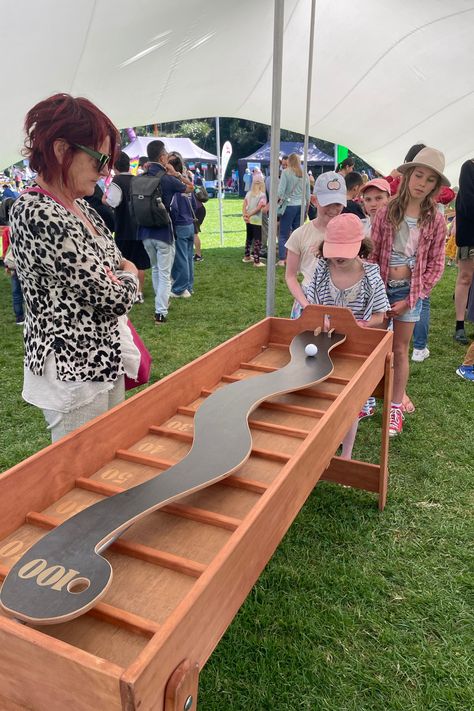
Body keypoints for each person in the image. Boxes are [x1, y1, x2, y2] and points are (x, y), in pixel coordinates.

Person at [9, 93, 140, 442]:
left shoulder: (84, 209)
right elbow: (113, 295)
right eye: (100, 159)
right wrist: (128, 274)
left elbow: (113, 272)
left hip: (104, 357)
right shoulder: (37, 211)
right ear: (61, 150)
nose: (105, 171)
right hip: (72, 372)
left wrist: (120, 273)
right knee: (79, 478)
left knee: (110, 458)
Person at [370, 147, 449, 437]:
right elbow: (372, 255)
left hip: (410, 292)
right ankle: (366, 397)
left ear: (436, 187)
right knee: (374, 346)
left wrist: (411, 299)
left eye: (430, 180)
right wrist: (375, 294)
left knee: (400, 349)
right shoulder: (387, 211)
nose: (422, 184)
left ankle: (394, 407)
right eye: (418, 175)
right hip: (380, 288)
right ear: (407, 175)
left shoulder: (436, 220)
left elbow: (436, 265)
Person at [306, 213, 389, 458]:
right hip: (325, 343)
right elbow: (312, 306)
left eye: (346, 250)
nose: (339, 257)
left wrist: (361, 324)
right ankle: (322, 441)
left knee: (351, 402)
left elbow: (380, 315)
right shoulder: (321, 269)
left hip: (356, 347)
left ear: (361, 247)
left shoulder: (371, 275)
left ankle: (346, 454)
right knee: (323, 395)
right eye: (334, 250)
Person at [136, 140, 193, 324]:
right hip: (163, 232)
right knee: (165, 274)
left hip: (144, 232)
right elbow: (191, 188)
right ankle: (161, 311)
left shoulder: (140, 177)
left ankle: (161, 305)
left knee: (155, 269)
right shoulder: (167, 179)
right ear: (162, 157)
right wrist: (176, 173)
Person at [285, 170, 347, 317]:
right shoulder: (299, 235)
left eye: (337, 204)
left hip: (339, 301)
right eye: (327, 203)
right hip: (308, 301)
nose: (333, 209)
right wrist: (306, 305)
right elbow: (290, 276)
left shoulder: (349, 234)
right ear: (314, 200)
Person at [105, 151, 150, 303]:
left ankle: (126, 293)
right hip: (140, 227)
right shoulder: (137, 179)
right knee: (140, 263)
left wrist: (104, 198)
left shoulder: (117, 181)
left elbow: (113, 202)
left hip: (123, 227)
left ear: (115, 166)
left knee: (123, 262)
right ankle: (139, 293)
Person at [168, 152, 198, 295]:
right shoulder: (187, 182)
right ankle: (189, 286)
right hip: (190, 224)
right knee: (188, 257)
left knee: (181, 259)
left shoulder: (176, 186)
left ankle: (181, 288)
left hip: (180, 224)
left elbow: (174, 209)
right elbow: (194, 204)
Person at [453, 159, 474, 345]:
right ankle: (460, 325)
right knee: (465, 277)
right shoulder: (470, 167)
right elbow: (468, 203)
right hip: (470, 234)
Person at [277, 153, 311, 267]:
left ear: (289, 161)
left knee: (283, 234)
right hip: (301, 206)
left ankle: (282, 259)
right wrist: (306, 209)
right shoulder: (304, 174)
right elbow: (308, 195)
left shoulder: (286, 173)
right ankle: (298, 260)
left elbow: (280, 192)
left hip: (289, 206)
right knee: (298, 234)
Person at [1, 197, 25, 325]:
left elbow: (5, 249)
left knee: (16, 291)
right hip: (25, 261)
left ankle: (19, 317)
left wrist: (6, 264)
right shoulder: (25, 225)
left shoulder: (7, 230)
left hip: (13, 262)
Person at [242, 171, 266, 267]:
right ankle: (256, 261)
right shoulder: (262, 195)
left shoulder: (248, 193)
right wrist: (249, 215)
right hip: (256, 220)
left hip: (248, 220)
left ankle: (247, 256)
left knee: (249, 237)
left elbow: (244, 205)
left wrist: (245, 215)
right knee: (257, 240)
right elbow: (259, 208)